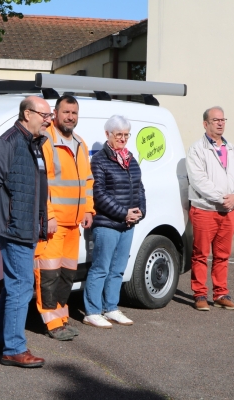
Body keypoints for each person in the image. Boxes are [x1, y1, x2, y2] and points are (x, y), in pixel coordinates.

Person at [0, 95, 51, 368]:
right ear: (27, 114)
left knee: (14, 285)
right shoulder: (9, 142)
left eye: (49, 116)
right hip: (14, 226)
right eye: (44, 115)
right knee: (21, 286)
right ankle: (14, 349)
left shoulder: (35, 144)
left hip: (27, 225)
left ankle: (0, 340)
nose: (48, 120)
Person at [34, 95, 94, 341]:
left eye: (74, 113)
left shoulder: (80, 142)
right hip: (53, 224)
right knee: (48, 275)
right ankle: (52, 323)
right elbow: (42, 182)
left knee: (66, 276)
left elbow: (87, 180)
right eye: (66, 112)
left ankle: (61, 317)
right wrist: (47, 216)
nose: (70, 117)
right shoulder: (46, 140)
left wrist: (89, 209)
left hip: (74, 224)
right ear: (56, 113)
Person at [83, 115, 145, 328]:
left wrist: (140, 211)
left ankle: (111, 308)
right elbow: (99, 194)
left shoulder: (130, 158)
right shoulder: (100, 160)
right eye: (119, 134)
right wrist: (123, 213)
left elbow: (139, 188)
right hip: (108, 223)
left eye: (126, 135)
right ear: (107, 134)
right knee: (101, 267)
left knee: (118, 268)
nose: (123, 139)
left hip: (127, 224)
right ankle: (92, 311)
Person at [186, 106, 234, 311]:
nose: (221, 123)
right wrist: (223, 198)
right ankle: (200, 295)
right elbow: (199, 181)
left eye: (223, 120)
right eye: (216, 120)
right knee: (200, 254)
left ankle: (221, 293)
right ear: (206, 124)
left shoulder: (233, 149)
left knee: (223, 255)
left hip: (228, 211)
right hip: (206, 210)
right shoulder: (197, 149)